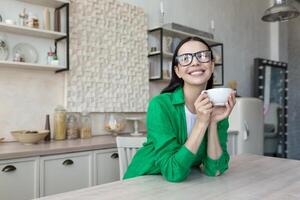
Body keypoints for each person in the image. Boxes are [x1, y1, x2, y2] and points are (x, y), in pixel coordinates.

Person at [124, 36, 236, 182]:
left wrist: (213, 122)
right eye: (185, 58)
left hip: (178, 189)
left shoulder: (216, 107)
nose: (195, 62)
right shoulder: (160, 105)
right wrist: (201, 123)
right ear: (177, 71)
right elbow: (173, 172)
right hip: (140, 183)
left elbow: (215, 169)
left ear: (212, 65)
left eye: (202, 56)